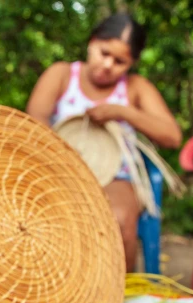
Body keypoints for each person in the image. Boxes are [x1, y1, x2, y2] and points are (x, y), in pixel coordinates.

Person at [26, 13, 182, 272]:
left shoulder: (135, 87)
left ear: (132, 63)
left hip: (116, 178)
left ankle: (117, 296)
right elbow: (34, 122)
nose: (108, 64)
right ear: (91, 42)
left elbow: (172, 137)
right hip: (57, 174)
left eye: (120, 61)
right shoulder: (62, 74)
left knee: (118, 220)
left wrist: (123, 112)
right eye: (104, 53)